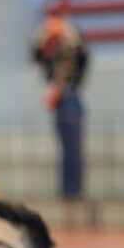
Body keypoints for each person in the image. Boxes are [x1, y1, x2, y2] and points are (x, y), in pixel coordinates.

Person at [32, 15, 89, 201]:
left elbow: (83, 60)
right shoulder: (52, 54)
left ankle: (74, 191)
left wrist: (74, 40)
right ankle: (67, 191)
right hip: (60, 102)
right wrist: (41, 38)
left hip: (71, 99)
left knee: (74, 150)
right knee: (66, 150)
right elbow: (37, 57)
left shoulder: (75, 52)